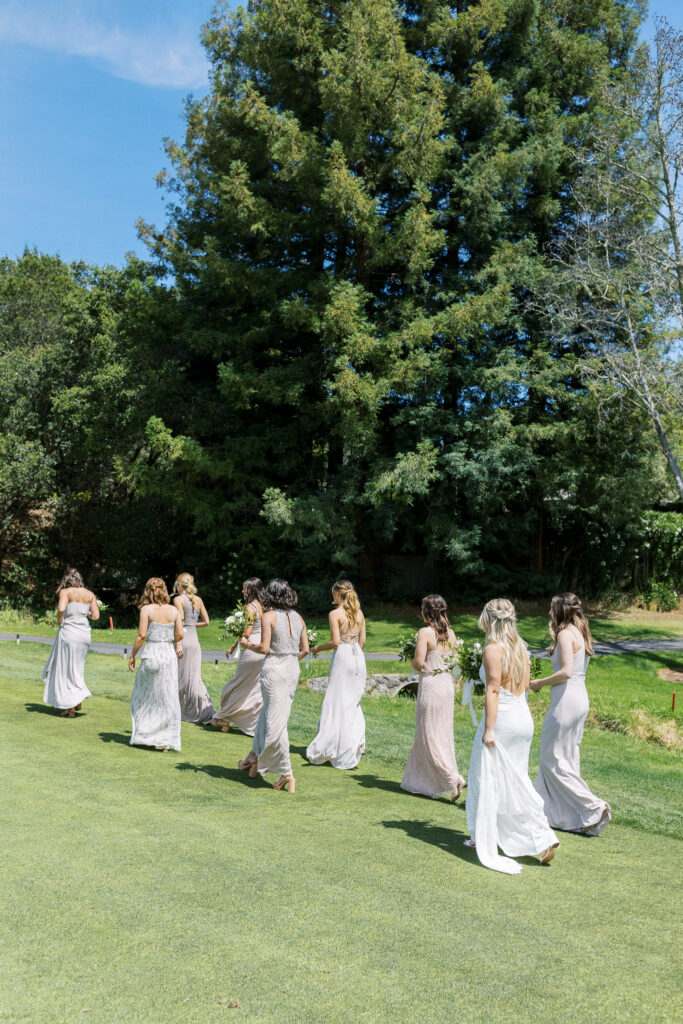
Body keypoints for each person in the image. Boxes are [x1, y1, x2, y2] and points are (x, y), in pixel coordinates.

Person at [465, 598, 559, 874]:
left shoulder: (494, 649)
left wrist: (490, 729)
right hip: (522, 715)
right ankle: (534, 836)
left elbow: (493, 690)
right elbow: (525, 685)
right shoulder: (521, 648)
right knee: (515, 779)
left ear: (489, 620)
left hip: (503, 718)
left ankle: (490, 835)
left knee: (487, 776)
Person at [531, 593, 611, 836]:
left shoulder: (566, 633)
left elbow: (566, 672)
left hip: (566, 699)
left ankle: (593, 807)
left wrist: (538, 683)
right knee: (566, 756)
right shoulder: (579, 631)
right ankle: (562, 815)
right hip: (578, 698)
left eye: (551, 608)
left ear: (560, 611)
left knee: (551, 758)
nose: (548, 613)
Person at [237, 579, 309, 792]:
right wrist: (290, 659)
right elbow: (305, 649)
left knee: (275, 722)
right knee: (268, 715)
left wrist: (248, 644)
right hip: (291, 669)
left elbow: (265, 648)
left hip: (274, 669)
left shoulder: (268, 616)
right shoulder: (299, 617)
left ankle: (287, 773)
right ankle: (254, 758)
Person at [400, 595, 466, 801]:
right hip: (446, 686)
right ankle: (424, 781)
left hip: (430, 686)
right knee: (443, 736)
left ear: (425, 611)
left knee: (429, 735)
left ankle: (454, 778)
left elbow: (419, 663)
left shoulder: (425, 633)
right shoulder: (452, 634)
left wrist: (412, 660)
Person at [306, 579, 367, 769]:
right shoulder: (359, 613)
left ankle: (330, 746)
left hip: (343, 658)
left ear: (336, 593)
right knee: (352, 701)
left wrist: (315, 647)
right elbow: (362, 641)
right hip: (358, 657)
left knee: (335, 700)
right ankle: (356, 741)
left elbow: (335, 642)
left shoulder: (335, 614)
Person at [129, 578, 184, 752]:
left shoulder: (146, 610)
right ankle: (164, 739)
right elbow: (181, 635)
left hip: (152, 652)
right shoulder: (174, 610)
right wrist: (168, 640)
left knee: (147, 695)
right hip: (168, 654)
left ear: (148, 592)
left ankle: (148, 734)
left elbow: (141, 635)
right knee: (166, 696)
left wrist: (132, 655)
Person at [208, 578, 265, 734]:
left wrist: (236, 629)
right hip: (262, 649)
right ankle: (240, 722)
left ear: (250, 590)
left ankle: (222, 717)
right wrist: (234, 645)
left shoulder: (249, 607)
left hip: (250, 649)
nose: (242, 591)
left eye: (244, 589)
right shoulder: (265, 607)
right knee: (253, 688)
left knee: (234, 686)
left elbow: (246, 633)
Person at [42, 569, 100, 717]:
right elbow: (96, 616)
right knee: (77, 669)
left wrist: (59, 620)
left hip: (69, 633)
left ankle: (71, 706)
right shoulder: (90, 594)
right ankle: (76, 701)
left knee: (66, 669)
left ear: (66, 580)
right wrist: (84, 612)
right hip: (84, 635)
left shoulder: (66, 592)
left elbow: (61, 608)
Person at [172, 572, 214, 724]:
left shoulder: (178, 600)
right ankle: (202, 709)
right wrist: (192, 624)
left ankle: (185, 710)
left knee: (181, 677)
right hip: (194, 641)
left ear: (178, 585)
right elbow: (207, 621)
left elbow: (180, 622)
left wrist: (177, 643)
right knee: (194, 677)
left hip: (183, 640)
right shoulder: (199, 600)